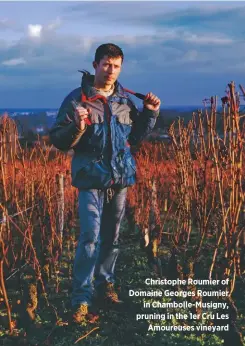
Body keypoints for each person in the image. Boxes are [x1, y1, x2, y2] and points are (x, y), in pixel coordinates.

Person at [49, 43, 161, 324]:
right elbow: (59, 141)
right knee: (90, 238)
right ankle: (81, 299)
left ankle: (105, 285)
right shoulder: (77, 99)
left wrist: (149, 113)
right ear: (96, 64)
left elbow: (133, 139)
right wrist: (77, 126)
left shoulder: (125, 100)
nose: (111, 71)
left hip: (120, 178)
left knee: (112, 238)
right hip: (90, 178)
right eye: (106, 64)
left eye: (116, 66)